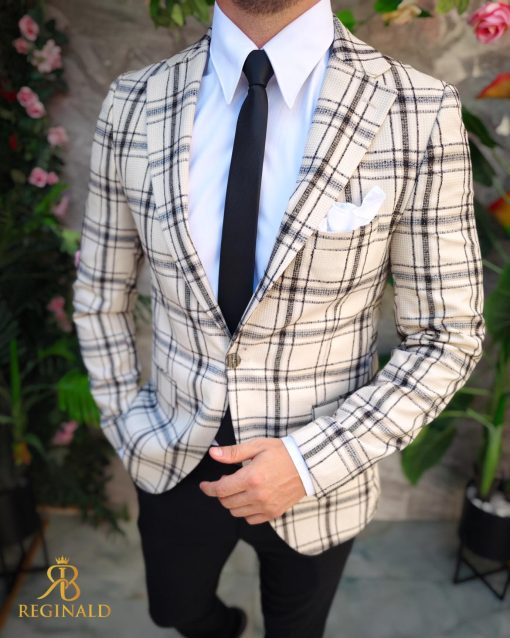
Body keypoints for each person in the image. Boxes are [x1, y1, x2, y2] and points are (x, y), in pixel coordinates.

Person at [72, 0, 486, 636]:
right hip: (172, 448)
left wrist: (311, 461)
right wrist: (126, 422)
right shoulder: (133, 101)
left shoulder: (418, 108)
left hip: (319, 476)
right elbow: (101, 289)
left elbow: (446, 335)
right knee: (175, 611)